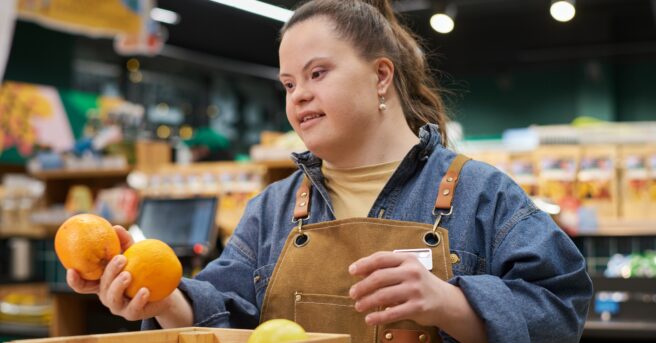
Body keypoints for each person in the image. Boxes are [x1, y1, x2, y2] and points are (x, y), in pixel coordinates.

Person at [66, 0, 592, 342]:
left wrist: (452, 303)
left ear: (380, 76)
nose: (299, 97)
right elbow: (225, 314)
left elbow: (560, 308)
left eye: (318, 73)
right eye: (289, 83)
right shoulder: (273, 208)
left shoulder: (482, 195)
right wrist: (159, 299)